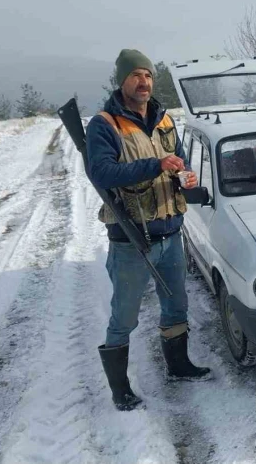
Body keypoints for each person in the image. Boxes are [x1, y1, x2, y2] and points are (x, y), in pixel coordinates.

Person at [87, 49, 212, 411]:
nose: (143, 82)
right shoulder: (105, 124)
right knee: (124, 315)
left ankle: (179, 366)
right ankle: (120, 391)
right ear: (122, 81)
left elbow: (178, 160)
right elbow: (101, 173)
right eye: (135, 75)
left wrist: (184, 175)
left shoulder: (164, 119)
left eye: (148, 75)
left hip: (171, 232)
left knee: (176, 304)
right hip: (131, 239)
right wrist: (155, 164)